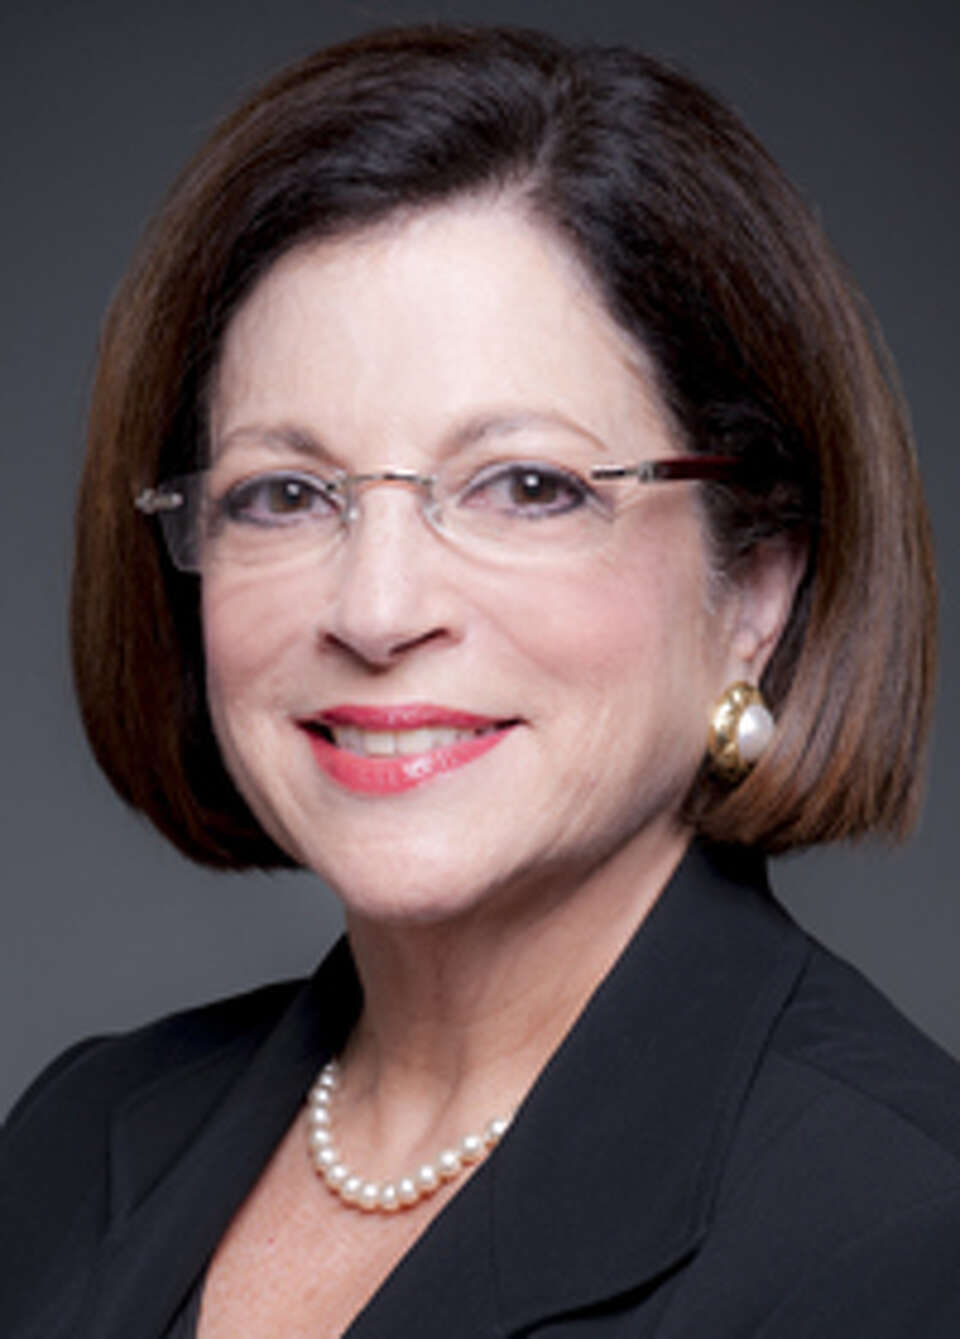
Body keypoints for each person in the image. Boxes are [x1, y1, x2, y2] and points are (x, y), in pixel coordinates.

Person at [1, 22, 958, 1339]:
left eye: (526, 486)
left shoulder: (907, 1237)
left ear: (752, 588)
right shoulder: (76, 1140)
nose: (377, 610)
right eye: (287, 494)